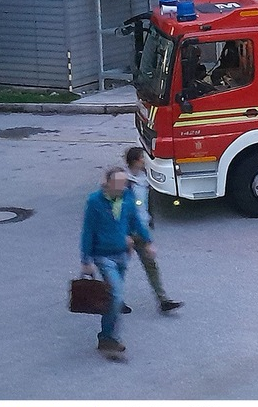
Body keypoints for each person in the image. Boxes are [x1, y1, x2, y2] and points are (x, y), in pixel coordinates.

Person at [80, 167, 154, 358]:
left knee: (112, 298)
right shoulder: (95, 201)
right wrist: (86, 260)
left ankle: (106, 337)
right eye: (118, 183)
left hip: (122, 255)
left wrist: (147, 243)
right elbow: (88, 231)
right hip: (103, 256)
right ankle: (110, 338)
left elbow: (136, 222)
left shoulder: (127, 198)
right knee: (116, 295)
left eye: (124, 183)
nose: (122, 187)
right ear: (108, 183)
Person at [124, 147, 183, 314]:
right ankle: (115, 299)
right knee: (120, 267)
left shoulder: (144, 179)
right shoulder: (125, 183)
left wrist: (149, 222)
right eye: (143, 158)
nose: (146, 160)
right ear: (136, 160)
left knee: (151, 265)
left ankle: (162, 299)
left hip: (141, 229)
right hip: (127, 233)